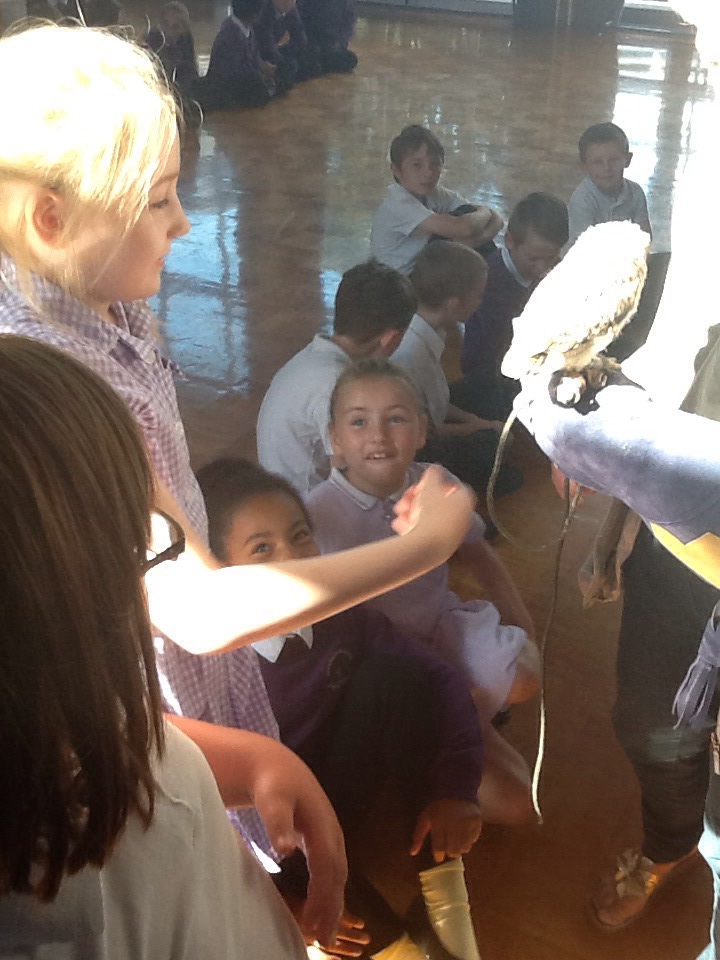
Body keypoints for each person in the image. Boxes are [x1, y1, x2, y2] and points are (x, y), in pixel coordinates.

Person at [0, 23, 476, 951]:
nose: (184, 222)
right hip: (127, 727)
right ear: (49, 220)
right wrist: (426, 544)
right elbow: (199, 612)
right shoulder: (56, 387)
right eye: (159, 200)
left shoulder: (90, 291)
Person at [0, 334, 339, 958]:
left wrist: (257, 760)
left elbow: (103, 730)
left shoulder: (60, 718)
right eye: (140, 550)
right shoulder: (88, 896)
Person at [197, 456, 486, 960]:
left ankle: (442, 883)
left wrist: (454, 788)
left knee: (396, 676)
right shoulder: (215, 670)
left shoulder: (340, 614)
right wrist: (274, 902)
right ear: (222, 573)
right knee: (363, 938)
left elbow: (436, 678)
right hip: (280, 832)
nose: (292, 558)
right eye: (262, 548)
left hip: (341, 785)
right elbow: (207, 812)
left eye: (300, 536)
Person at [307, 357, 541, 824]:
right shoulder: (314, 515)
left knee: (526, 677)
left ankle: (463, 723)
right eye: (359, 422)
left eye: (396, 419)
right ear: (335, 439)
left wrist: (523, 626)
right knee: (517, 807)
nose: (378, 435)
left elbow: (479, 554)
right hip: (384, 665)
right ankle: (439, 735)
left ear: (420, 431)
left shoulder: (435, 482)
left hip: (441, 626)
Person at [256, 259, 416, 494]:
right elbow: (350, 473)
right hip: (306, 501)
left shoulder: (316, 355)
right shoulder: (337, 384)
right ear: (390, 338)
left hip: (284, 486)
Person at [393, 239, 522, 498]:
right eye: (478, 295)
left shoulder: (433, 328)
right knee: (503, 466)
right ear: (453, 303)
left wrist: (476, 421)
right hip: (425, 442)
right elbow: (424, 430)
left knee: (489, 383)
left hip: (435, 415)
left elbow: (436, 398)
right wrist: (478, 427)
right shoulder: (410, 353)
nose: (481, 302)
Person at [450, 192, 568, 422]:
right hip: (488, 375)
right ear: (510, 241)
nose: (543, 267)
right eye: (534, 259)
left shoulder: (541, 269)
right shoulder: (490, 283)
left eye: (552, 258)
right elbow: (493, 352)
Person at [370, 125, 504, 276]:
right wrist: (485, 214)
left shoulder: (433, 193)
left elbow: (498, 220)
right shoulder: (398, 204)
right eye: (417, 165)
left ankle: (492, 275)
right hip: (399, 280)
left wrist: (475, 237)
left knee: (467, 216)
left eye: (435, 163)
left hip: (421, 268)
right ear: (396, 170)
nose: (428, 173)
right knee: (465, 238)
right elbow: (463, 228)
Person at [194, 0, 295, 111]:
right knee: (256, 82)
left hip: (247, 74)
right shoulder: (229, 33)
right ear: (254, 15)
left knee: (285, 68)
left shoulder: (248, 29)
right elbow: (234, 71)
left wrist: (267, 67)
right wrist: (261, 72)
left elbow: (255, 56)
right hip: (228, 84)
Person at [567, 122, 651, 249]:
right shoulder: (582, 201)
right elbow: (584, 248)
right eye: (597, 162)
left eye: (613, 160)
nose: (606, 168)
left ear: (627, 160)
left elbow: (644, 237)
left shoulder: (636, 193)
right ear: (584, 167)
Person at [255, 0, 322, 81]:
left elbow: (300, 38)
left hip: (275, 49)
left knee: (312, 53)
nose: (290, 2)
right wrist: (284, 60)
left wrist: (290, 52)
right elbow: (267, 46)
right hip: (259, 55)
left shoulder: (291, 9)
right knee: (290, 66)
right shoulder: (264, 10)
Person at [145, 0, 199, 93]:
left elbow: (191, 73)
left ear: (184, 29)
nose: (169, 31)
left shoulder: (185, 39)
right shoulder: (151, 40)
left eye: (176, 27)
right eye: (165, 24)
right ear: (160, 24)